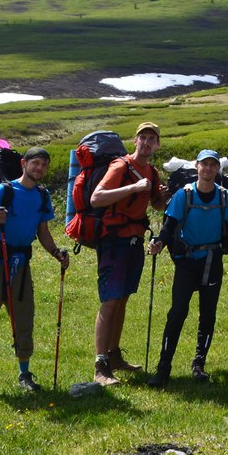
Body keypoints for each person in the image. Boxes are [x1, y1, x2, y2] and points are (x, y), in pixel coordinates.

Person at [0, 147, 69, 398]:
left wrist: (56, 253)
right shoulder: (3, 191)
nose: (39, 168)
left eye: (44, 164)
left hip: (21, 263)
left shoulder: (42, 195)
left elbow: (42, 232)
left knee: (23, 318)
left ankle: (24, 375)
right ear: (23, 163)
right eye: (35, 163)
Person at [146, 149, 228, 387]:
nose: (208, 169)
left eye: (213, 165)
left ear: (217, 168)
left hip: (212, 260)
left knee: (208, 314)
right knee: (177, 313)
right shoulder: (183, 195)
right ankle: (163, 368)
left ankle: (199, 364)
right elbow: (169, 227)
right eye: (204, 164)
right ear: (197, 167)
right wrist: (159, 242)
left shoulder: (225, 196)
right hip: (186, 262)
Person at [90, 121, 166, 386]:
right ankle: (100, 367)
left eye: (151, 139)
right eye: (142, 138)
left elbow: (155, 205)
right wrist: (133, 188)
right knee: (110, 301)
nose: (146, 143)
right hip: (113, 241)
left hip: (134, 241)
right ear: (135, 141)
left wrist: (163, 196)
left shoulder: (152, 172)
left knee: (122, 299)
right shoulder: (121, 166)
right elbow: (96, 198)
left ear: (157, 145)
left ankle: (114, 355)